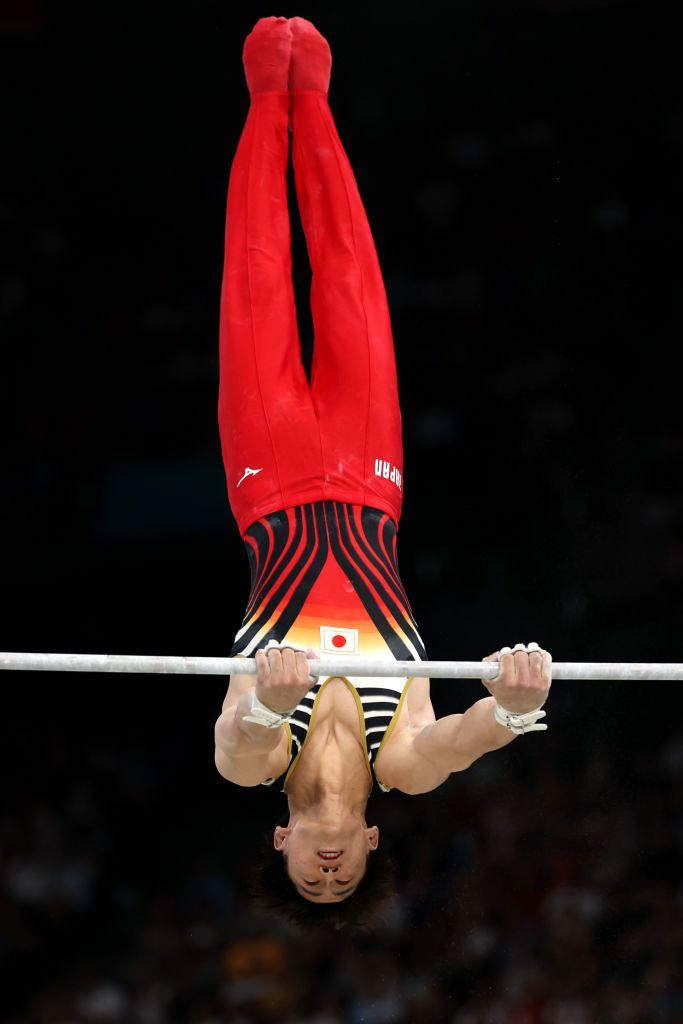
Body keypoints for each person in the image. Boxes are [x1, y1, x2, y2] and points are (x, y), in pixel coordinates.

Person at [213, 16, 552, 921]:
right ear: (370, 843)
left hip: (270, 480)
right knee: (351, 280)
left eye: (310, 877)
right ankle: (311, 102)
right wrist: (513, 706)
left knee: (257, 275)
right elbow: (458, 741)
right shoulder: (399, 761)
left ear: (280, 843)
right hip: (372, 485)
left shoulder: (258, 762)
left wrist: (259, 706)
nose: (328, 871)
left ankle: (264, 98)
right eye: (346, 876)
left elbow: (234, 742)